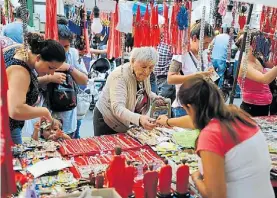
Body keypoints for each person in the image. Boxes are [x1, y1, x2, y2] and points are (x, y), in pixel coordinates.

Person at [157, 75, 274, 198]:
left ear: (190, 107)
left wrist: (196, 177)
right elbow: (195, 120)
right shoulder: (238, 116)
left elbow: (215, 195)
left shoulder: (211, 134)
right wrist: (168, 122)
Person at [4, 33, 66, 144]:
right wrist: (44, 111)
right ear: (38, 58)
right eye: (50, 67)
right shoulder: (20, 71)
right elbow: (15, 110)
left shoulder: (20, 51)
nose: (51, 73)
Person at [93, 47, 163, 136]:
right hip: (107, 121)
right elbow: (117, 107)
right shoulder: (120, 76)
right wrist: (139, 119)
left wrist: (154, 97)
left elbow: (141, 90)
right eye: (144, 67)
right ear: (133, 61)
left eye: (151, 67)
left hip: (124, 122)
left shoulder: (143, 73)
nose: (146, 71)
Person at [46, 19, 88, 138]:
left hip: (68, 116)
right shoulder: (45, 53)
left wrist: (69, 67)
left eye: (66, 46)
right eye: (59, 46)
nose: (63, 50)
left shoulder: (73, 54)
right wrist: (50, 77)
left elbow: (84, 80)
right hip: (48, 117)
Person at [167, 21, 214, 118]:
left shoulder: (204, 54)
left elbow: (209, 72)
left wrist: (211, 73)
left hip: (201, 105)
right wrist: (195, 77)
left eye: (209, 43)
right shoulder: (181, 54)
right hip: (184, 107)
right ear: (194, 38)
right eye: (205, 43)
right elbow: (170, 79)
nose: (206, 46)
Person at [237, 31, 277, 116]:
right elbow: (264, 79)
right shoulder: (245, 65)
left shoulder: (258, 59)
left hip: (264, 106)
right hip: (251, 108)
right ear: (250, 46)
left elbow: (273, 65)